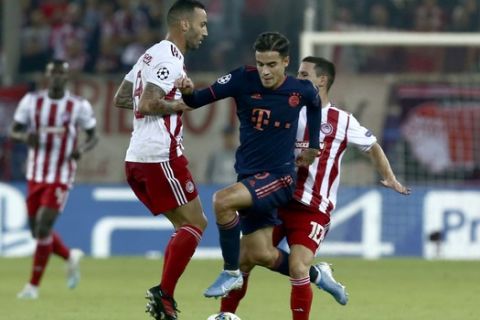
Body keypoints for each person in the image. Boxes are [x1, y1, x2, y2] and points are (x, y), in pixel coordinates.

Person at [219, 56, 411, 320]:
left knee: (298, 268)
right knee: (246, 257)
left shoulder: (342, 120)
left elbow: (373, 146)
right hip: (276, 196)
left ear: (322, 80)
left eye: (304, 74)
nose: (297, 79)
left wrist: (389, 178)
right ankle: (225, 315)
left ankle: (311, 281)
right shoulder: (286, 108)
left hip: (312, 207)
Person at [175, 31, 322, 298]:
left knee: (222, 201)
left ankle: (230, 272)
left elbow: (315, 102)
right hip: (249, 177)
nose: (265, 71)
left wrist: (314, 146)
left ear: (286, 62)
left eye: (272, 65)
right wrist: (187, 91)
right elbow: (196, 100)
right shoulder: (242, 78)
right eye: (261, 63)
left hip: (280, 178)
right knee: (260, 253)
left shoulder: (299, 89)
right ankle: (319, 275)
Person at [112, 1, 208, 319]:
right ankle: (164, 296)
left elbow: (123, 97)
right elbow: (149, 103)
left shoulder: (151, 53)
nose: (204, 32)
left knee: (185, 226)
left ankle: (164, 299)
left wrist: (173, 94)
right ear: (184, 25)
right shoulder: (168, 56)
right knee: (196, 223)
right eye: (201, 24)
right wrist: (183, 103)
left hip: (138, 157)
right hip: (159, 156)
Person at [11, 59, 98, 299]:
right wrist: (24, 137)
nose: (57, 77)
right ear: (47, 76)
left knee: (43, 225)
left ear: (67, 77)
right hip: (36, 173)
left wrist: (81, 149)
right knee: (36, 232)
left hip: (61, 174)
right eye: (54, 73)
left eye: (62, 73)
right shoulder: (31, 102)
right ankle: (69, 256)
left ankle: (32, 287)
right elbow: (14, 129)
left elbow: (93, 136)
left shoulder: (78, 105)